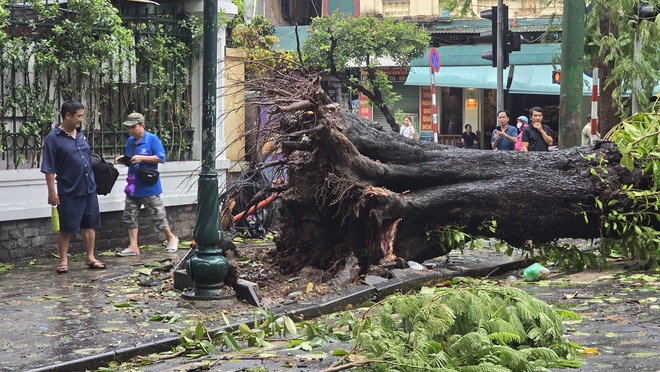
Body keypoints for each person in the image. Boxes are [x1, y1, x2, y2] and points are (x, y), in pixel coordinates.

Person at [41, 100, 106, 273]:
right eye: (78, 116)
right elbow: (48, 168)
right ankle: (63, 260)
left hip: (89, 187)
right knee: (66, 227)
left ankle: (90, 257)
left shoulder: (81, 134)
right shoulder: (53, 139)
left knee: (90, 224)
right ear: (67, 116)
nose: (80, 120)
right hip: (69, 190)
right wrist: (52, 192)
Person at [115, 112, 179, 256]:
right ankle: (133, 246)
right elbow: (132, 160)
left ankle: (171, 238)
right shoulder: (130, 141)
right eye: (128, 128)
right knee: (129, 215)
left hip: (149, 185)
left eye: (133, 127)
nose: (130, 130)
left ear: (142, 126)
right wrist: (124, 160)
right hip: (133, 185)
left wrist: (142, 158)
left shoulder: (152, 139)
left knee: (158, 214)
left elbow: (161, 158)